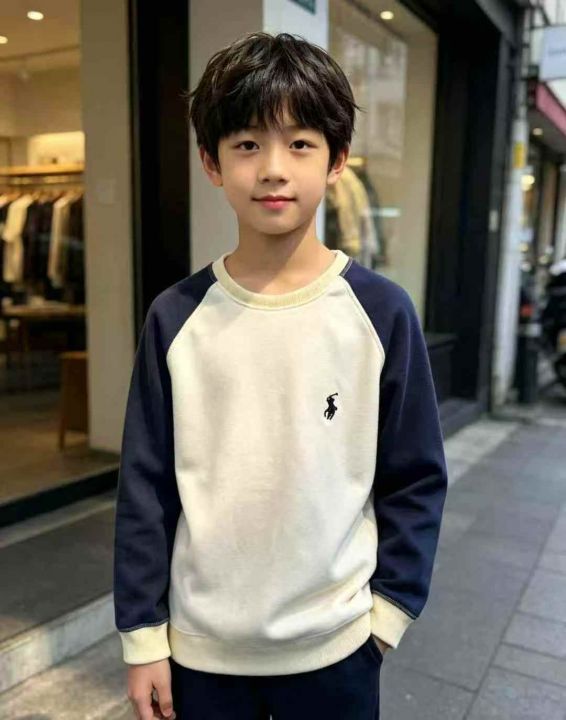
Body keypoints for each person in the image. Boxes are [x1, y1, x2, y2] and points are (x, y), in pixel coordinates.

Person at [113, 31, 448, 720]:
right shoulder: (176, 316)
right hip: (201, 652)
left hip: (338, 647)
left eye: (299, 143)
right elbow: (145, 486)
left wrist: (387, 615)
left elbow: (414, 474)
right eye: (246, 144)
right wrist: (143, 639)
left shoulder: (380, 313)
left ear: (336, 160)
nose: (273, 169)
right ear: (211, 162)